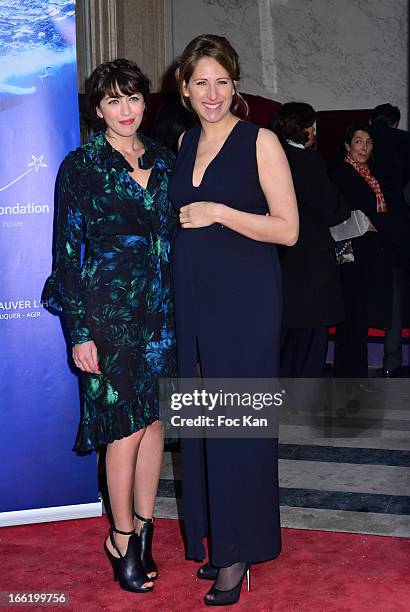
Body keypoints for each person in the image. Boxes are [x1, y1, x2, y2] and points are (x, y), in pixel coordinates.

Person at [168, 34, 298, 606]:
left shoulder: (261, 141)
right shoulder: (183, 140)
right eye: (201, 82)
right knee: (199, 425)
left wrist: (220, 212)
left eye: (222, 81)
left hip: (245, 303)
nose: (212, 92)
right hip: (192, 300)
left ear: (235, 85)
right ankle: (216, 535)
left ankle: (237, 552)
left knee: (236, 427)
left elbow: (287, 229)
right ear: (185, 88)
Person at [42, 59, 176, 593]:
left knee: (154, 426)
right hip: (107, 317)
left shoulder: (166, 161)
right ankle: (120, 536)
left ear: (146, 103)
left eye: (134, 98)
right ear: (97, 110)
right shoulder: (80, 167)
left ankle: (145, 528)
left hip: (164, 315)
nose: (126, 110)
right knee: (122, 430)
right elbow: (66, 257)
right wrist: (79, 332)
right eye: (114, 101)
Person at [270, 102, 350, 377]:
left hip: (282, 256)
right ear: (304, 128)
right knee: (311, 339)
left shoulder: (273, 156)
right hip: (313, 262)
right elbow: (333, 210)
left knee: (286, 336)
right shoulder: (308, 161)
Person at [330, 123, 392, 377]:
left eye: (368, 141)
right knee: (352, 315)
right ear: (347, 145)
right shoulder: (342, 172)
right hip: (350, 251)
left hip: (368, 251)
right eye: (358, 141)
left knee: (359, 315)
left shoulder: (372, 173)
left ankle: (353, 374)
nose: (364, 147)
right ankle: (350, 375)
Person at [369, 104, 410, 376]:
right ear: (395, 122)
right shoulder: (405, 141)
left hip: (371, 229)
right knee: (398, 297)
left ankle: (372, 359)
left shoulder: (362, 141)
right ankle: (392, 360)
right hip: (401, 227)